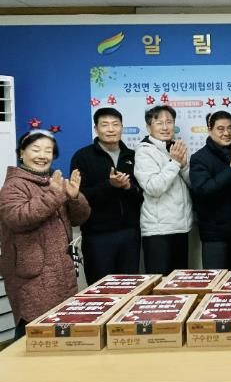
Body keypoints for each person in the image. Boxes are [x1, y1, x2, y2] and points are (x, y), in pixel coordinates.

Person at [0, 129, 90, 340]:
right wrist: (55, 194)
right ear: (21, 153)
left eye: (48, 151)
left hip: (61, 269)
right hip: (31, 274)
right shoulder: (14, 185)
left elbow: (80, 218)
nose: (42, 155)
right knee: (32, 327)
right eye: (36, 149)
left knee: (59, 325)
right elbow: (17, 218)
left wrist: (74, 197)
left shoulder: (52, 182)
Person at [70, 107, 142, 284]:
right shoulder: (83, 156)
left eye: (115, 124)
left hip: (130, 233)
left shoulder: (132, 156)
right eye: (105, 125)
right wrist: (109, 185)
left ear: (122, 127)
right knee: (101, 288)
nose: (111, 129)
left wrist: (128, 187)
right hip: (97, 235)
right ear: (96, 129)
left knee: (129, 286)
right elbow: (78, 195)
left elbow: (142, 195)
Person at [134, 105, 192, 276]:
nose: (165, 127)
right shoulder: (144, 151)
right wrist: (174, 163)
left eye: (169, 122)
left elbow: (193, 184)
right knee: (159, 284)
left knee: (179, 283)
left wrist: (183, 166)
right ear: (148, 127)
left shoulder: (176, 148)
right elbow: (154, 188)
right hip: (158, 231)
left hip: (181, 227)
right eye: (159, 123)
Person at [190, 111, 231, 270]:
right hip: (214, 233)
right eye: (220, 128)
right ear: (210, 130)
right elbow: (203, 190)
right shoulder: (199, 158)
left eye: (230, 128)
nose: (226, 133)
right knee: (215, 279)